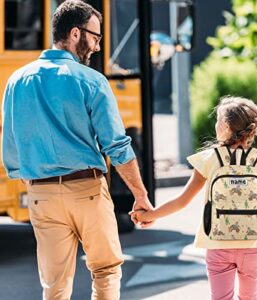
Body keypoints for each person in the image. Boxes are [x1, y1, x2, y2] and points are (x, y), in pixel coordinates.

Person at [1, 1, 153, 299]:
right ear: (74, 33)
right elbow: (117, 145)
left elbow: (11, 143)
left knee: (54, 284)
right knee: (105, 270)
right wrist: (140, 195)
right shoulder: (91, 80)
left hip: (41, 195)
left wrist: (34, 182)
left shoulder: (16, 80)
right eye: (95, 37)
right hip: (87, 190)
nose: (96, 46)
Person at [130, 96, 257, 299]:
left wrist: (150, 214)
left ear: (226, 126)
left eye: (218, 120)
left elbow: (182, 200)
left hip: (218, 243)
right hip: (253, 246)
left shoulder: (209, 159)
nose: (216, 124)